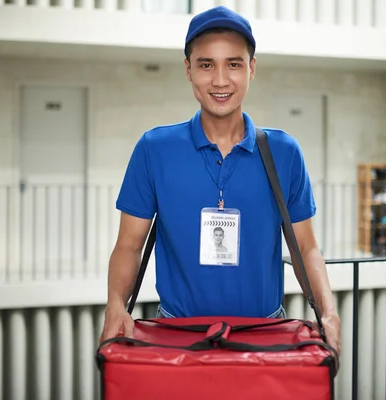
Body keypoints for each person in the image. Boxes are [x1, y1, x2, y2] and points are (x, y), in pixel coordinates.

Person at [99, 5, 341, 355]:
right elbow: (128, 245)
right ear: (188, 69)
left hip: (263, 339)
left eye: (234, 64)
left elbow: (305, 247)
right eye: (206, 64)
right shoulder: (154, 149)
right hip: (178, 338)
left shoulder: (284, 152)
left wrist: (328, 312)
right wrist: (116, 305)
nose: (220, 80)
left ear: (251, 68)